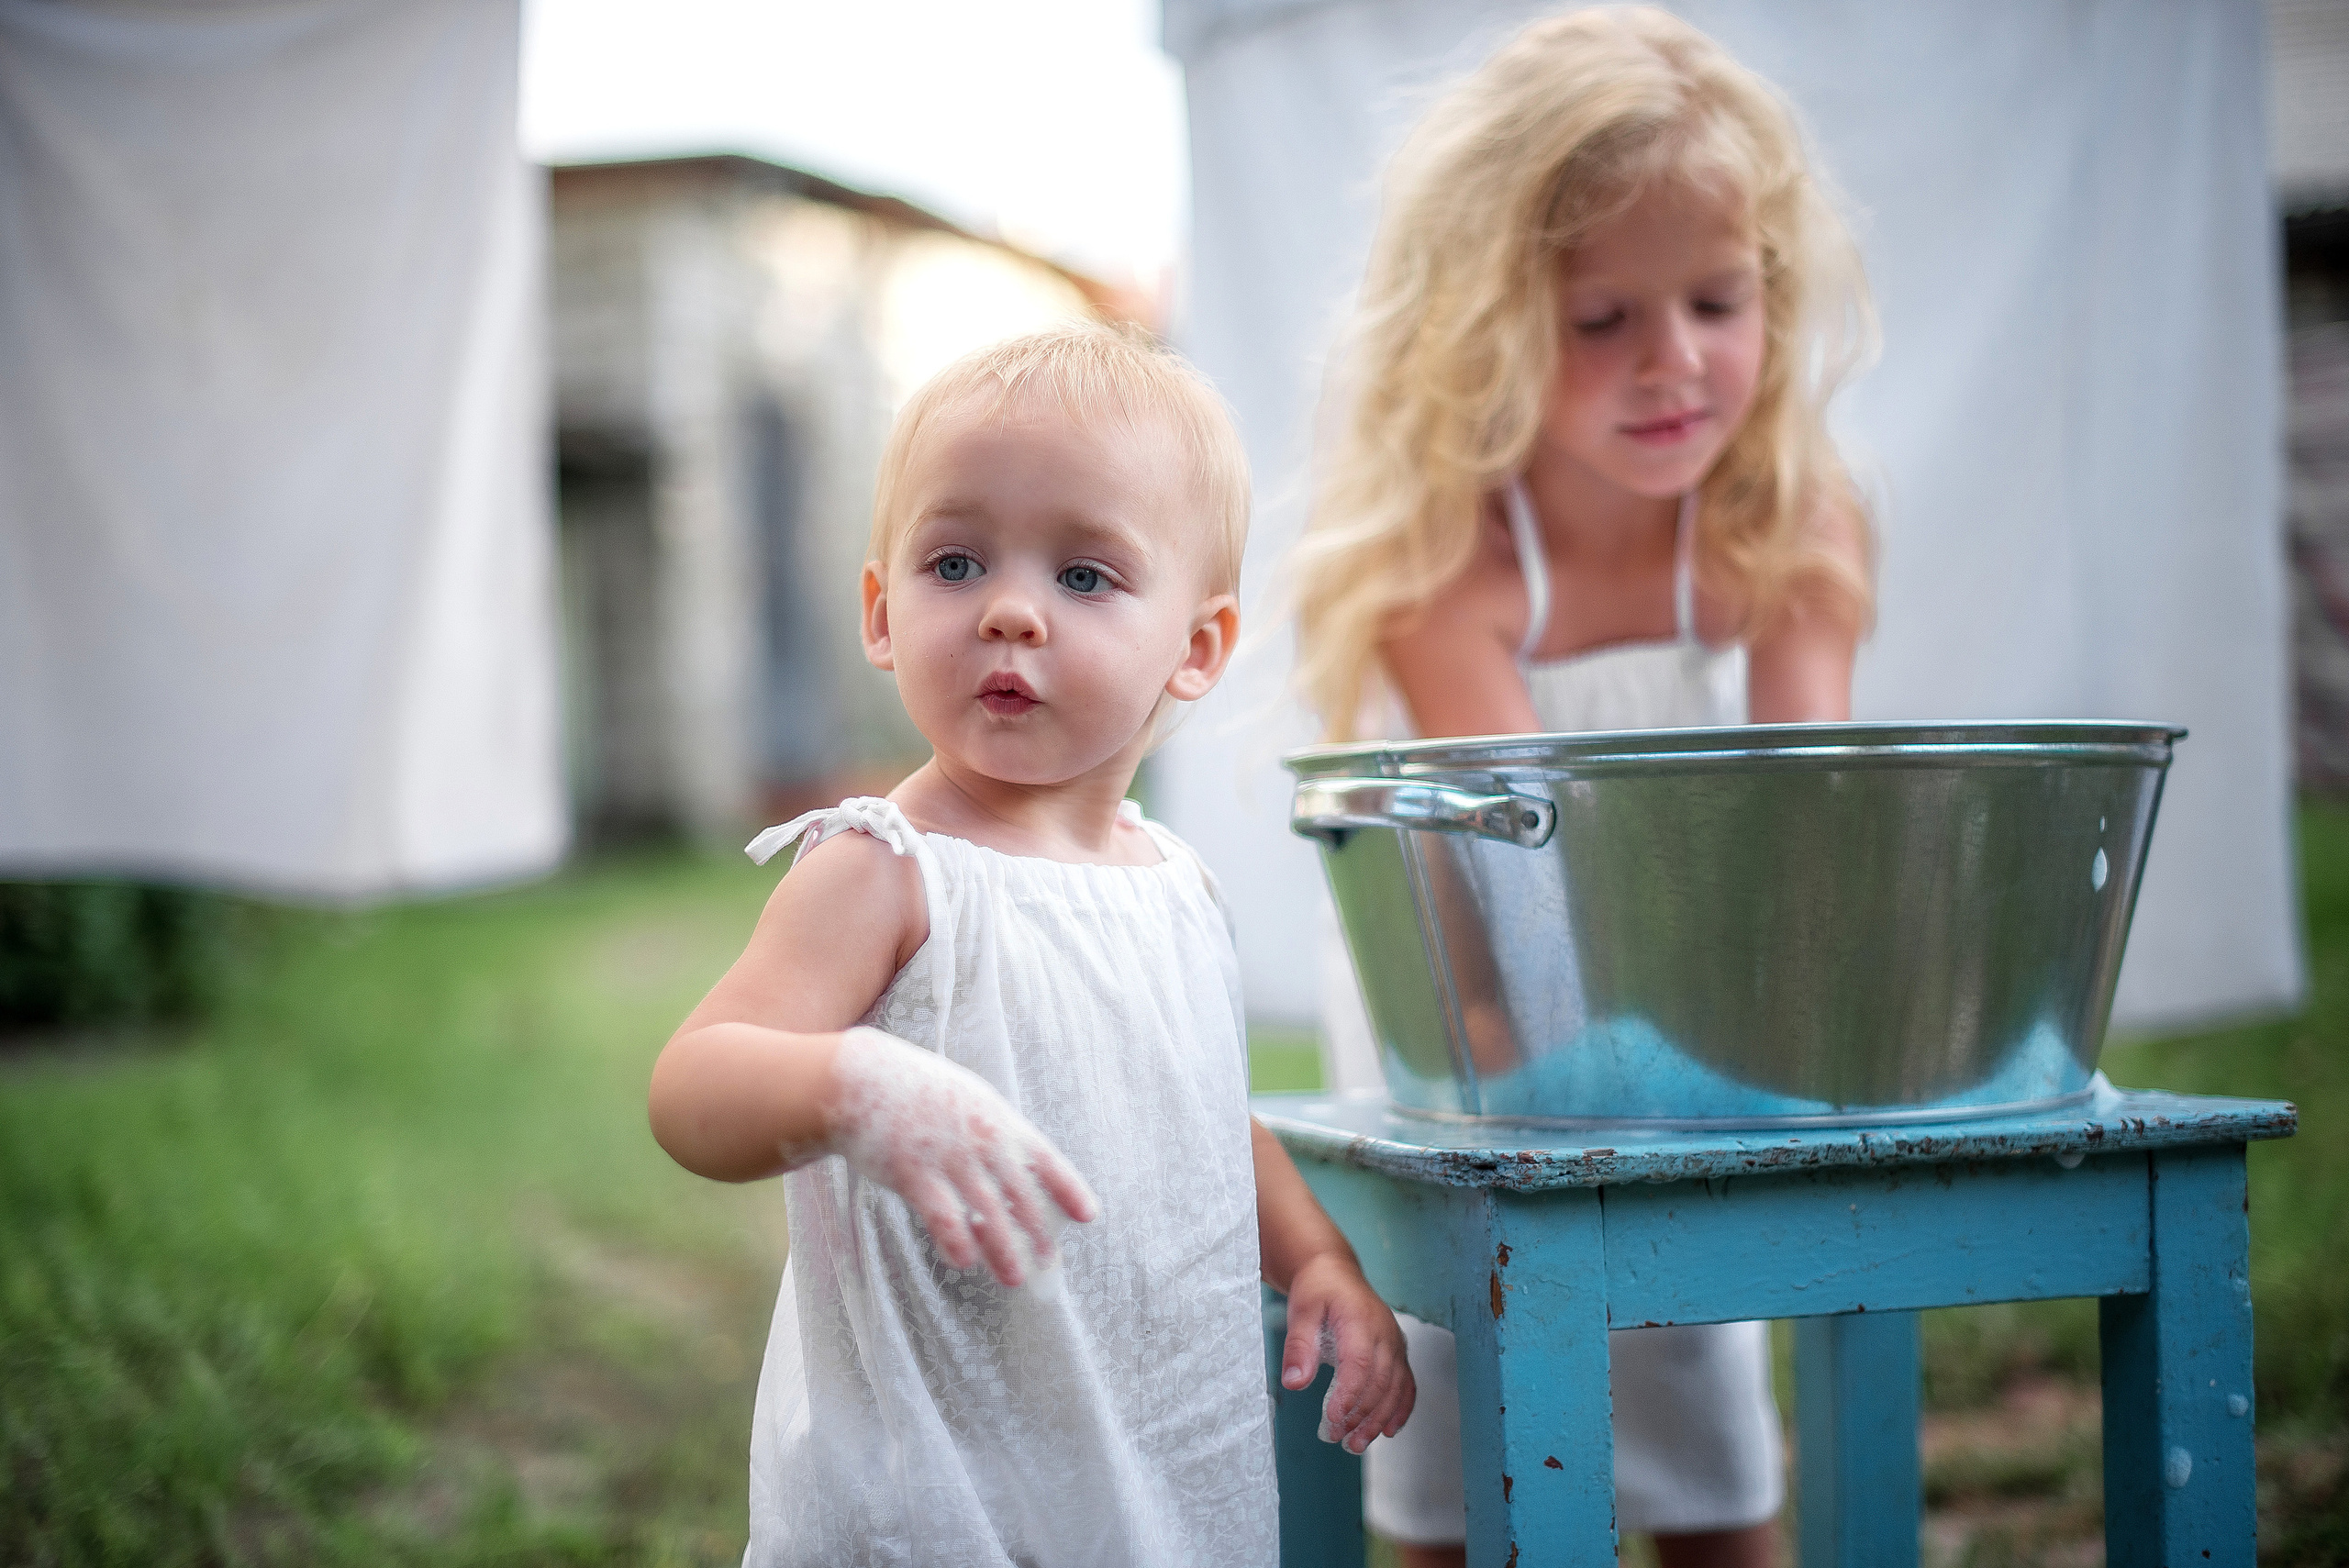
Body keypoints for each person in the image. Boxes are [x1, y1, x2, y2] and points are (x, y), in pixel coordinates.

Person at [649, 324, 1415, 1567]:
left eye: (1085, 577)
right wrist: (851, 1084)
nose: (1010, 610)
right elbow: (691, 1086)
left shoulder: (1178, 886)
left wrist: (1319, 1256)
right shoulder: (887, 871)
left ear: (1198, 648)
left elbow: (1208, 1121)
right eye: (956, 563)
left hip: (1153, 1470)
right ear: (882, 611)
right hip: (932, 1494)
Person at [1288, 9, 1876, 1568]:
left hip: (1693, 993)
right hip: (1469, 999)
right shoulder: (1452, 562)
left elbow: (1802, 831)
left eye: (1718, 300)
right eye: (1603, 316)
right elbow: (1514, 908)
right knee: (1468, 1400)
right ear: (1488, 324)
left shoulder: (1792, 526)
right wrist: (1583, 1080)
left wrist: (1774, 1047)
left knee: (1698, 1393)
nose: (1674, 359)